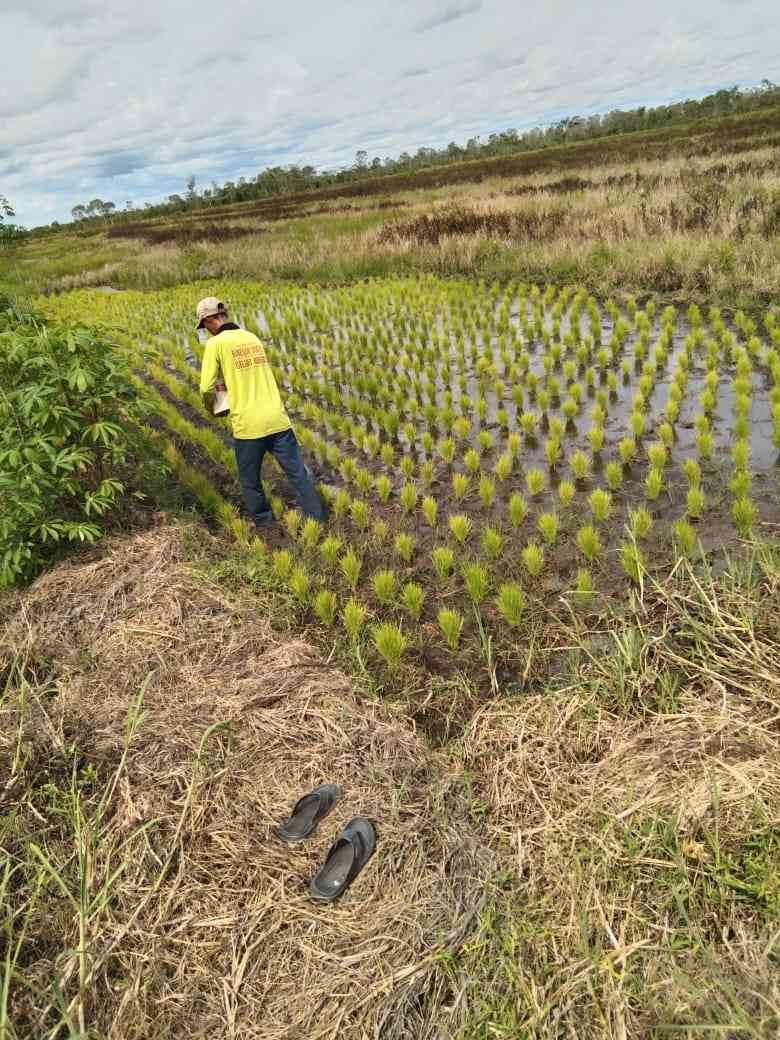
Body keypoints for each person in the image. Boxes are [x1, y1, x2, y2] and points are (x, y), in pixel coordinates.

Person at [196, 296, 325, 527]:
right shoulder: (251, 337)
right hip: (277, 419)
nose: (205, 330)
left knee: (250, 481)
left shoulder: (215, 344)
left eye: (204, 326)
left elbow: (206, 387)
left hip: (249, 426)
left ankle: (267, 527)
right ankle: (318, 521)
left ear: (209, 321)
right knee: (298, 475)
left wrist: (214, 407)